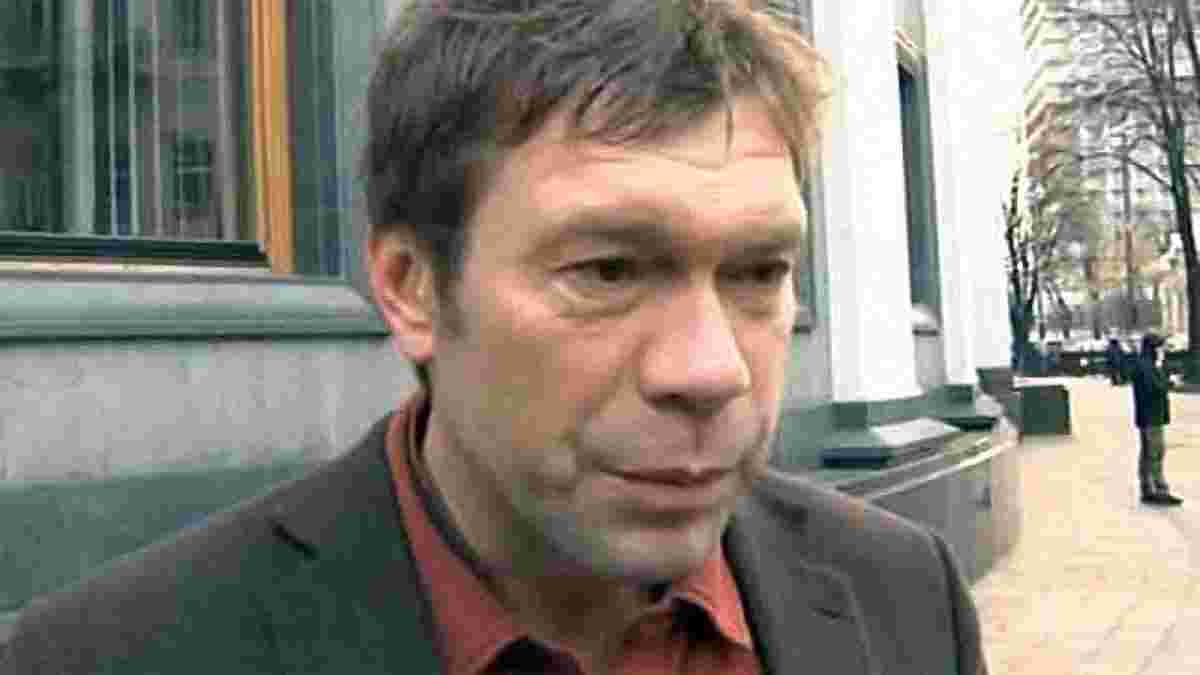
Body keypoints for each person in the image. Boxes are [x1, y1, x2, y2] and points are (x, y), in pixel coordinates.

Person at [2, 2, 987, 673]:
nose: (709, 369)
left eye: (758, 272)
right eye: (608, 270)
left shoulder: (905, 599)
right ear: (411, 287)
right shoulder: (112, 655)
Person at [1131, 333, 1182, 506]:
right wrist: (1169, 382)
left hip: (1150, 415)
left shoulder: (1146, 364)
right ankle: (1157, 490)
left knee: (1149, 452)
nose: (1163, 351)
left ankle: (1148, 488)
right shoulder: (1146, 366)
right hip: (1151, 416)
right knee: (1155, 452)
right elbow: (1155, 388)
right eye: (1160, 347)